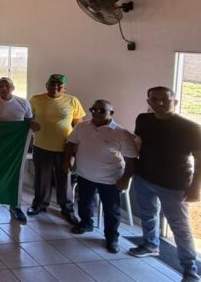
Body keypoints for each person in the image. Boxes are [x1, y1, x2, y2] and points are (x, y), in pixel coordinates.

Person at [128, 87, 201, 281]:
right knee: (147, 214)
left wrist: (195, 187)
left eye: (165, 100)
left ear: (175, 102)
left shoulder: (190, 127)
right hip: (144, 177)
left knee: (180, 226)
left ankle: (189, 269)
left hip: (175, 184)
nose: (159, 103)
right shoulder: (143, 119)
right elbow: (138, 144)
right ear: (149, 101)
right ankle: (150, 244)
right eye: (155, 99)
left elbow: (199, 159)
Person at [63, 100, 136, 254]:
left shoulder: (121, 133)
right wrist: (68, 159)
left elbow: (131, 158)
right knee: (84, 202)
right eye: (93, 109)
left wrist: (125, 179)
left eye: (101, 110)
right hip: (85, 174)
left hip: (110, 179)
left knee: (111, 210)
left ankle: (111, 238)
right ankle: (86, 223)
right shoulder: (82, 126)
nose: (96, 112)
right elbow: (71, 143)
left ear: (111, 113)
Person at [28, 74, 85, 225]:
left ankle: (67, 209)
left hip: (64, 148)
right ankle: (39, 204)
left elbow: (79, 125)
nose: (55, 87)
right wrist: (30, 123)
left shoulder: (72, 100)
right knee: (41, 178)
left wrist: (74, 147)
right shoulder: (36, 99)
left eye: (59, 85)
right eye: (52, 84)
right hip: (41, 146)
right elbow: (27, 116)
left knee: (64, 179)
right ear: (46, 85)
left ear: (64, 88)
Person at [0, 77, 37, 223]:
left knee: (16, 175)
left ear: (13, 87)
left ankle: (15, 204)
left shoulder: (23, 103)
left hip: (16, 148)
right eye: (1, 86)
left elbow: (28, 123)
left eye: (7, 86)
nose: (4, 88)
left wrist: (32, 136)